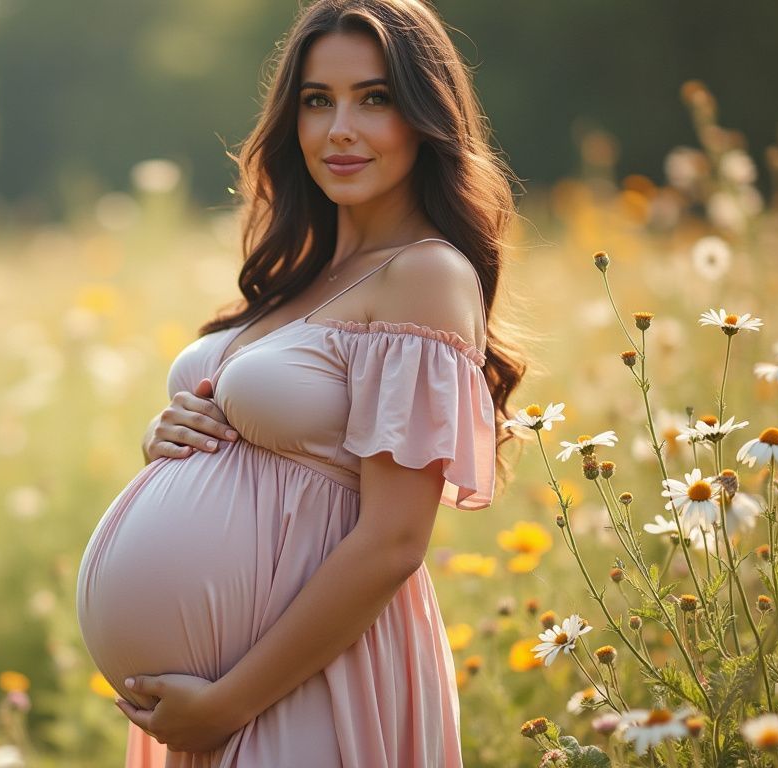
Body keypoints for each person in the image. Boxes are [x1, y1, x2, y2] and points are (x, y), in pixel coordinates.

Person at [75, 0, 527, 764]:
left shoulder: (425, 274)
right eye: (317, 101)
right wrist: (167, 437)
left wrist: (227, 704)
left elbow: (393, 541)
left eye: (373, 99)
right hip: (216, 703)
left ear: (426, 117)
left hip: (306, 687)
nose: (337, 129)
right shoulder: (302, 278)